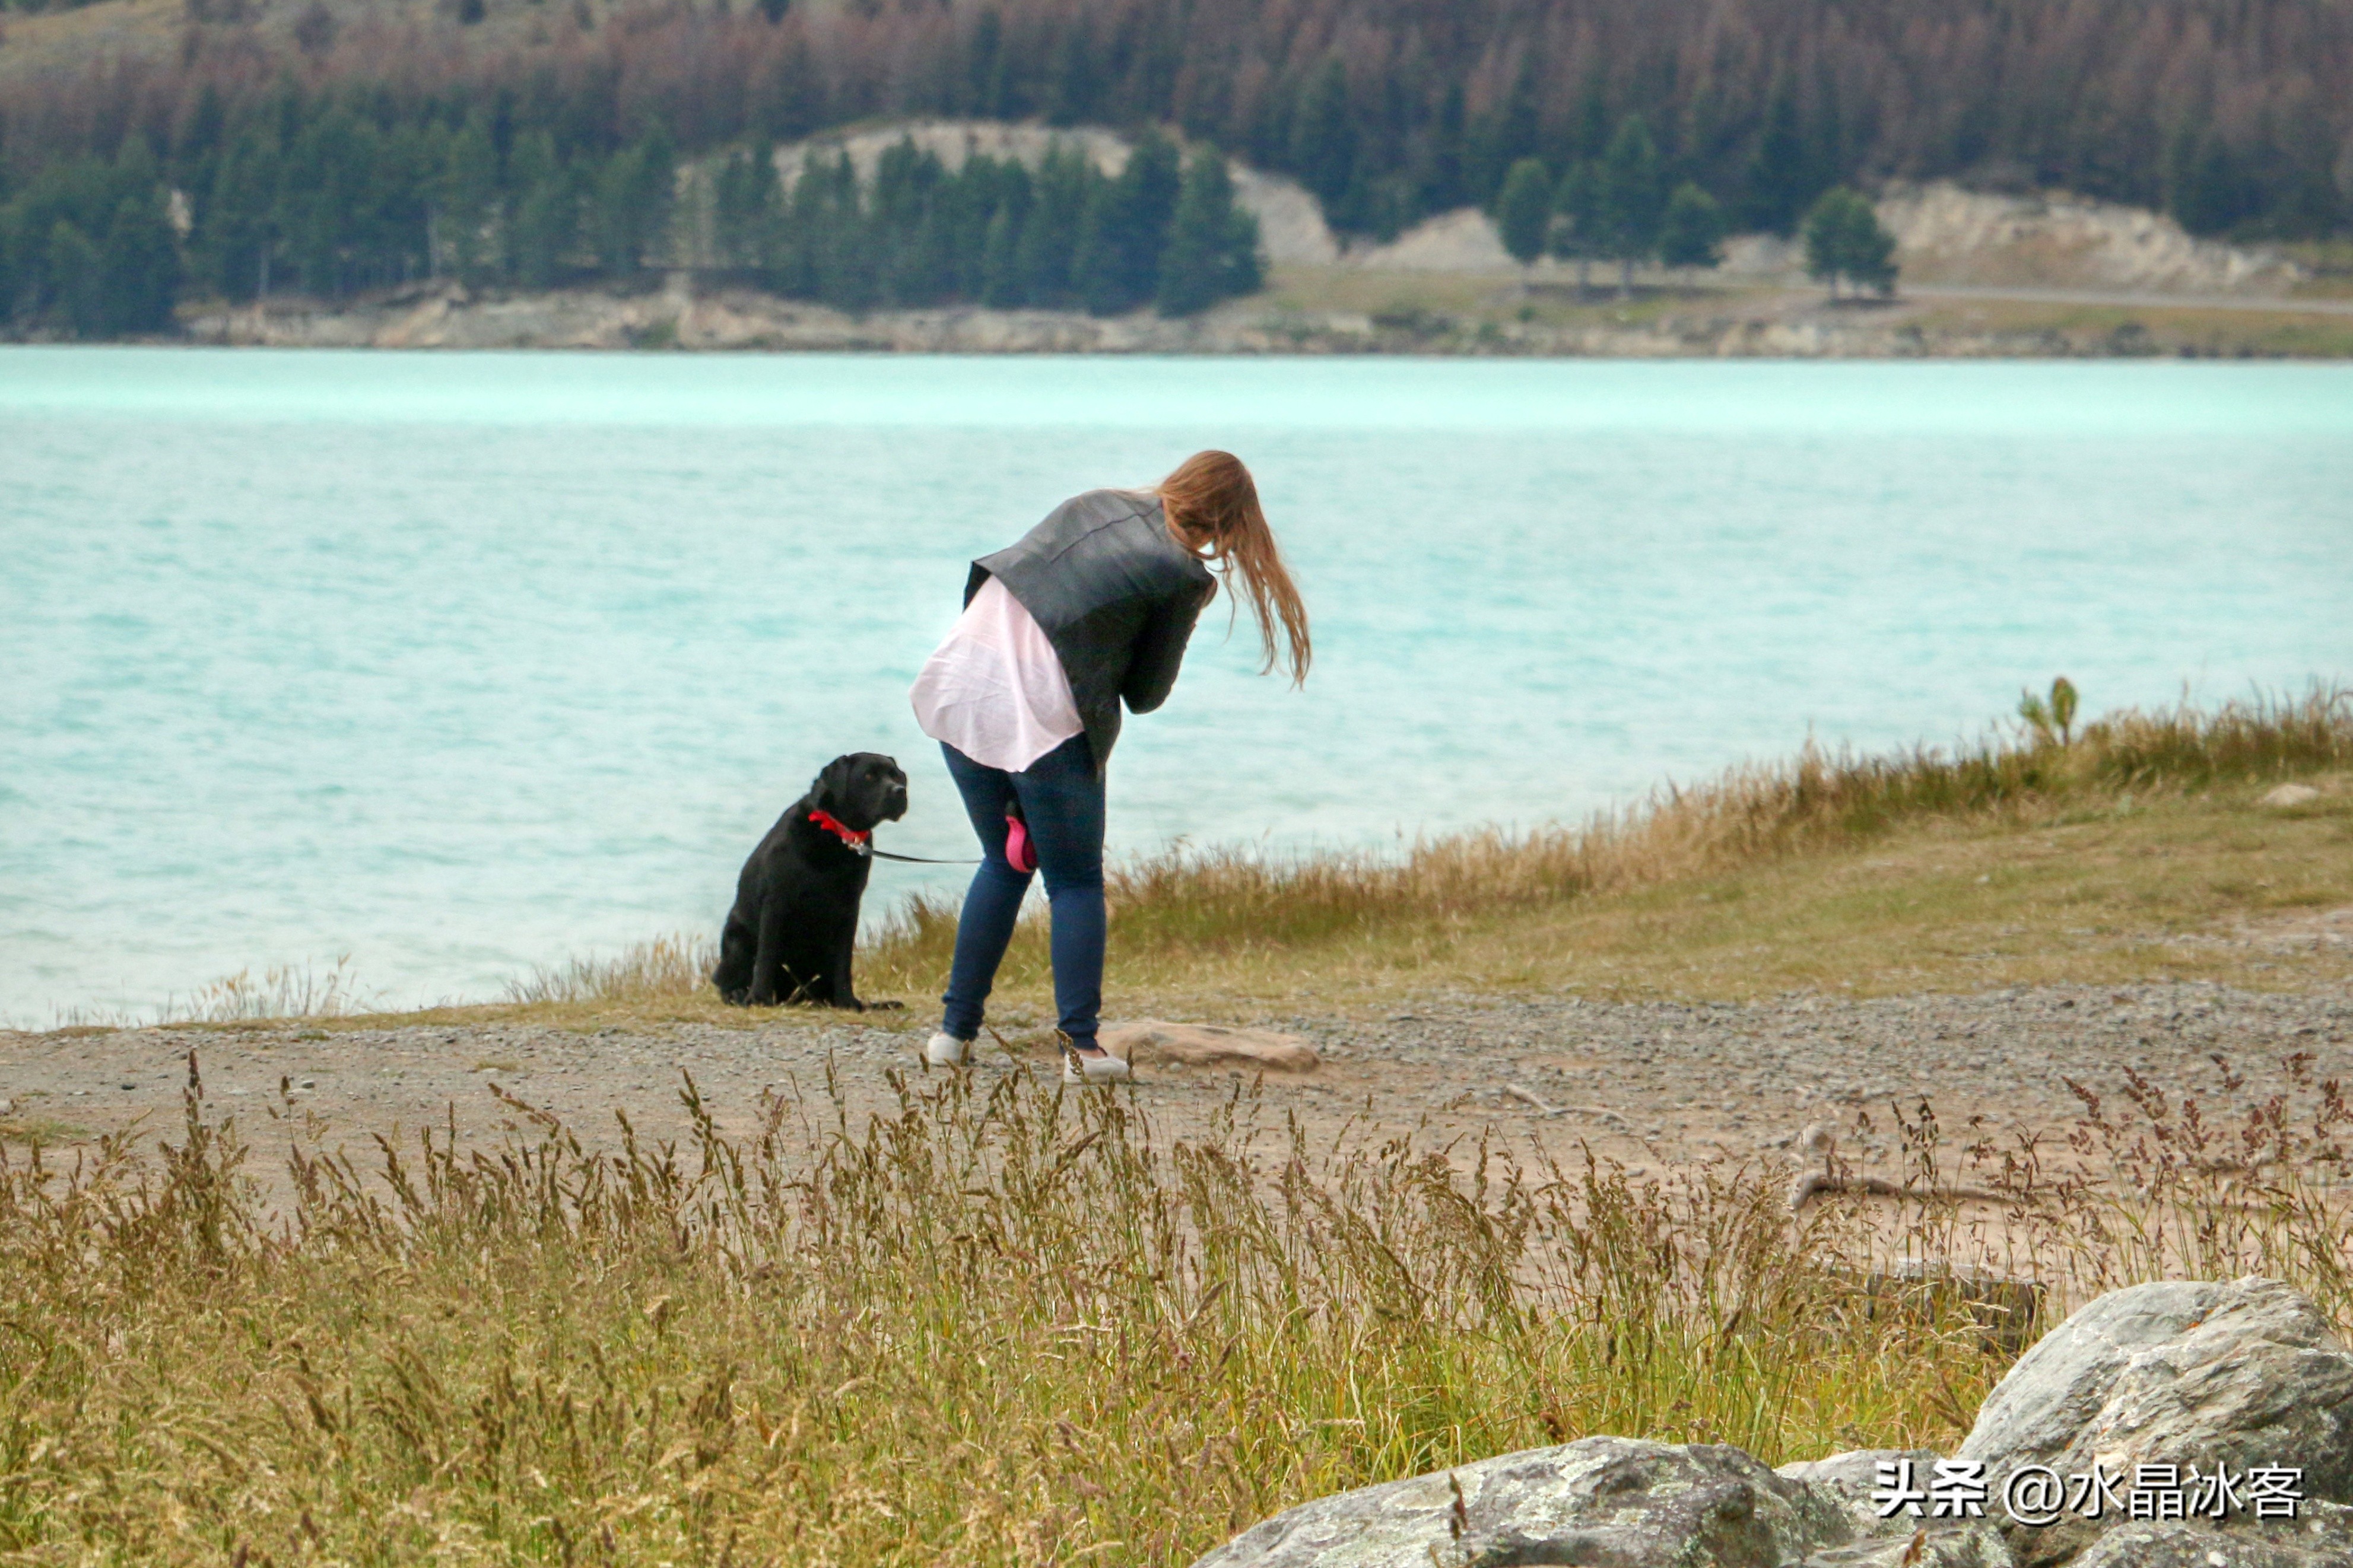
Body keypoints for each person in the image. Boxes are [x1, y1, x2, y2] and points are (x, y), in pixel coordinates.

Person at [907, 450, 1311, 1082]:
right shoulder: (1180, 574)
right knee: (1073, 881)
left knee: (1004, 860)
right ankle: (1081, 1050)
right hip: (1037, 716)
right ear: (1229, 524)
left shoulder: (1090, 503)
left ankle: (951, 1038)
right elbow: (1146, 695)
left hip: (959, 683)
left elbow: (1005, 580)